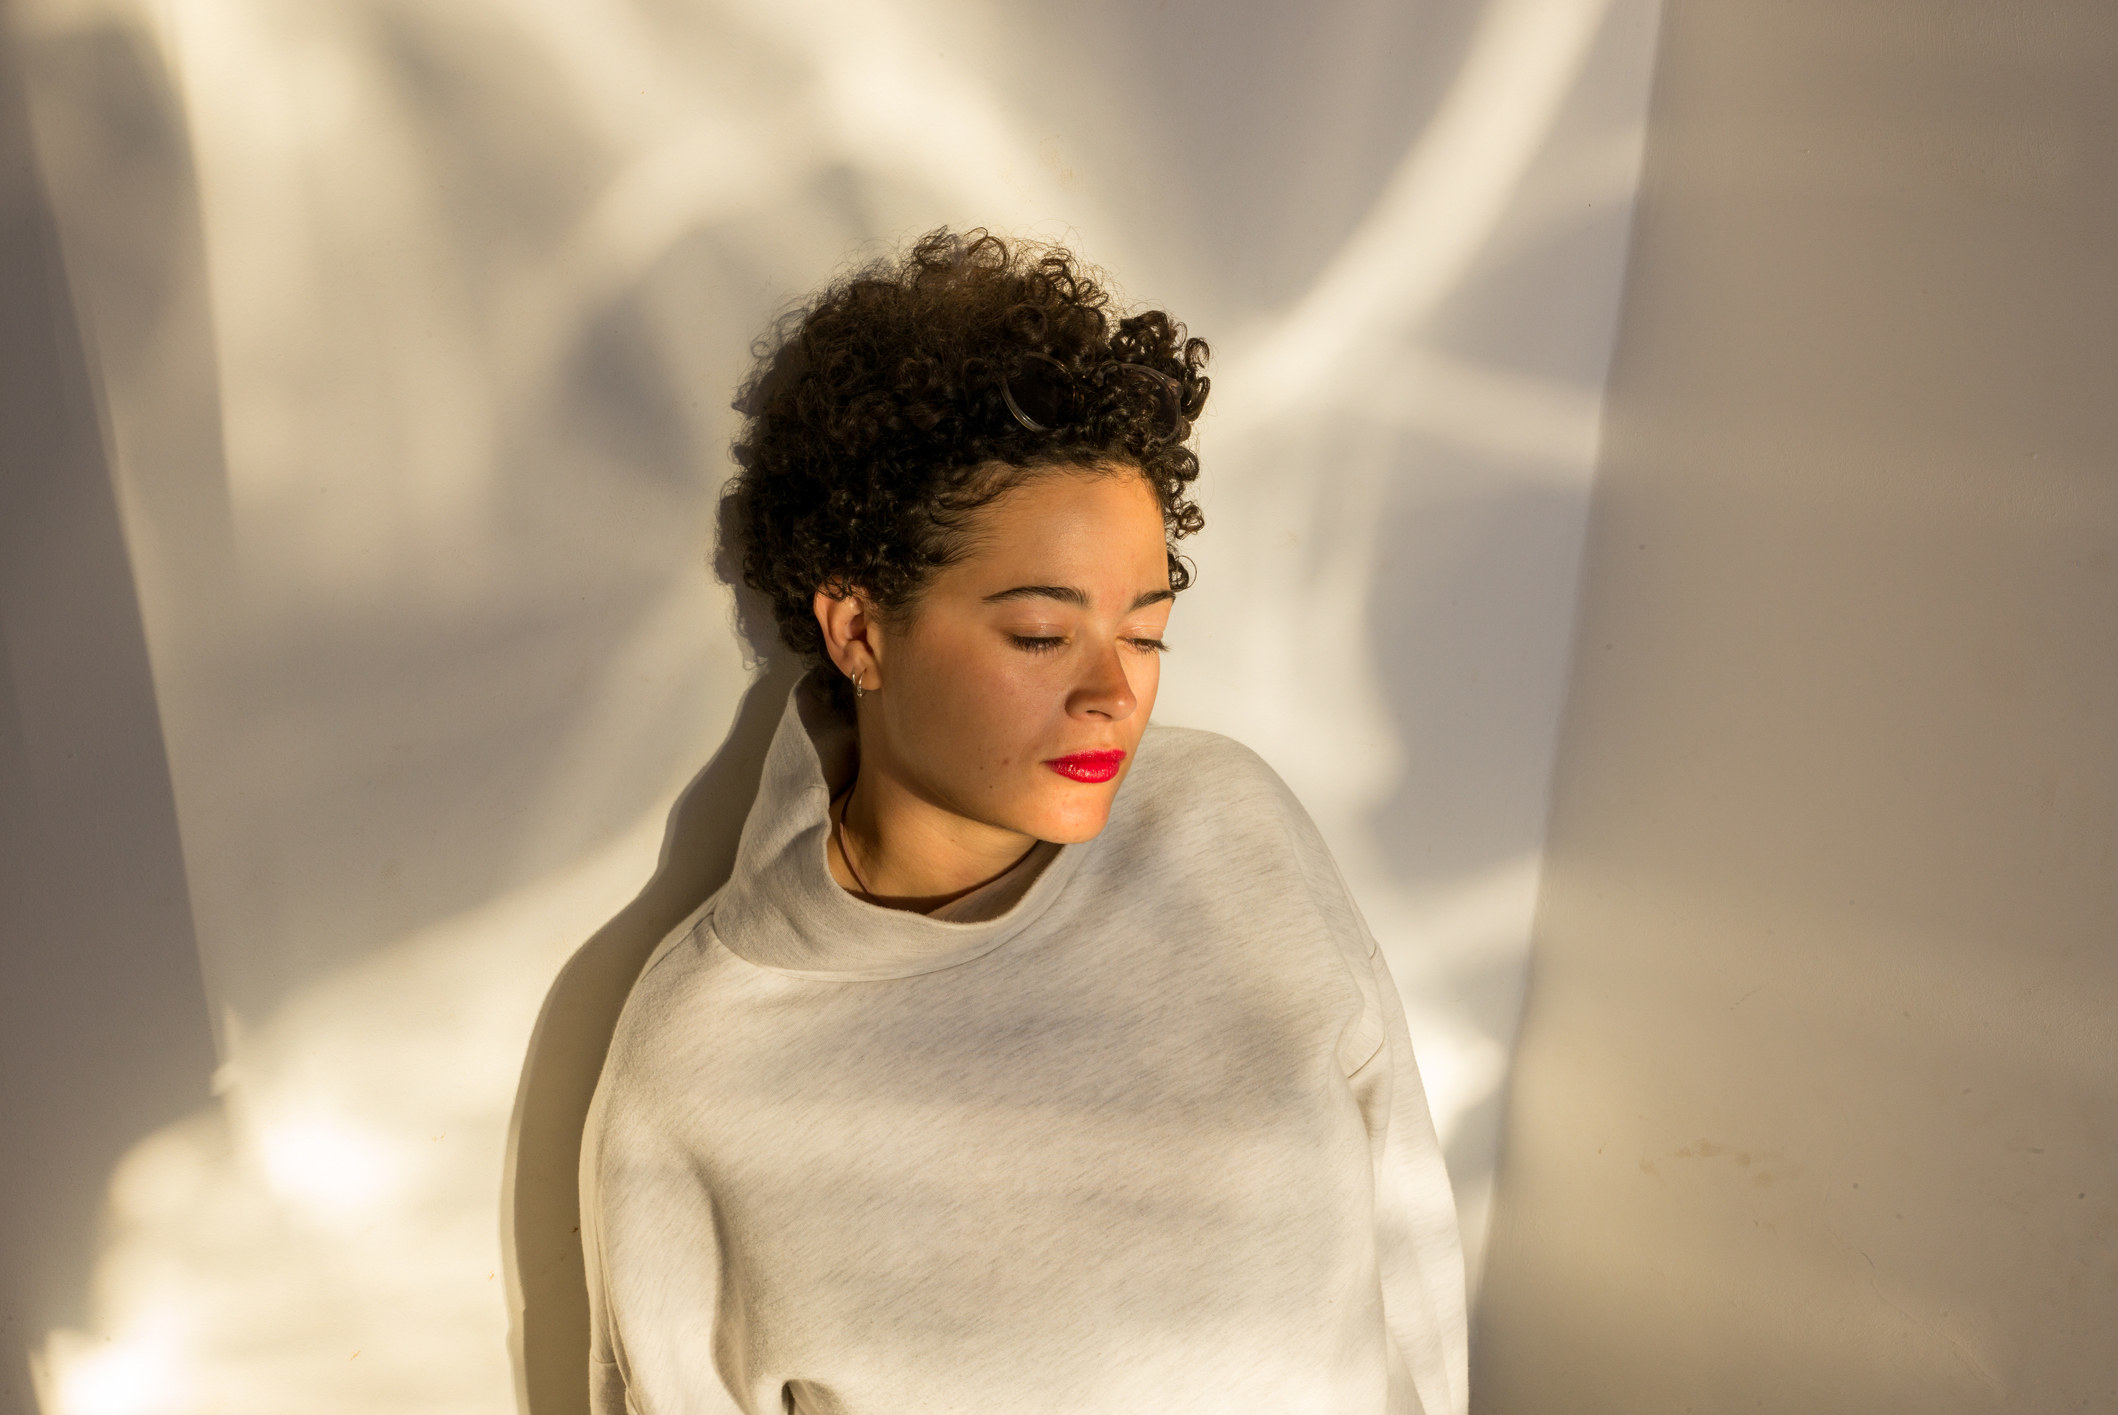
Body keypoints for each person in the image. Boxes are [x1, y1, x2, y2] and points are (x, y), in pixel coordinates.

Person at [579, 230, 1467, 1414]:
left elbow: (1411, 1260)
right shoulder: (701, 1058)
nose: (1115, 692)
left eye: (1144, 632)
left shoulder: (1233, 829)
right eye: (1042, 635)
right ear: (860, 631)